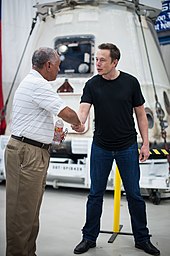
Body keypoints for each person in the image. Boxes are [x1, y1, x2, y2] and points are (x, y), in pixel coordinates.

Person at [72, 43, 160, 256]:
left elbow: (140, 115)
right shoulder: (92, 85)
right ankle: (89, 238)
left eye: (102, 60)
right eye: (96, 59)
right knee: (95, 195)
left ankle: (142, 238)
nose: (98, 64)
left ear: (114, 62)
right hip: (101, 147)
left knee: (135, 195)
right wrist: (78, 124)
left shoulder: (130, 83)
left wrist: (145, 143)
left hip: (127, 146)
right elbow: (83, 111)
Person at [5, 47, 82, 256]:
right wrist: (78, 123)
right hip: (27, 153)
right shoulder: (38, 84)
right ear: (48, 65)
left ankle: (29, 252)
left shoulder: (34, 84)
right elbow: (66, 112)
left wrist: (52, 134)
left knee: (30, 211)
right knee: (21, 213)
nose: (59, 70)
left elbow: (44, 118)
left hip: (33, 151)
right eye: (57, 66)